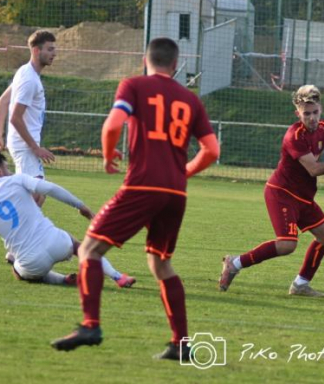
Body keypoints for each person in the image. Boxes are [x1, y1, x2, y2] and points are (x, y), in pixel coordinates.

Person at [51, 37, 220, 361]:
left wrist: (107, 154)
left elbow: (113, 123)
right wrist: (183, 172)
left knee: (89, 249)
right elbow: (212, 150)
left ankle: (90, 325)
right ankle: (181, 344)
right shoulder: (190, 100)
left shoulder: (134, 85)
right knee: (160, 263)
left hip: (142, 185)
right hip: (175, 193)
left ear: (146, 60)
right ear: (175, 64)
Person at [218, 85, 324, 298]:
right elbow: (313, 168)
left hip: (304, 196)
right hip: (282, 193)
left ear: (321, 109)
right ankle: (234, 263)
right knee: (287, 245)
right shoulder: (294, 136)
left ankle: (300, 285)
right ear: (297, 113)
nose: (311, 118)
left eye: (315, 112)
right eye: (306, 114)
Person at [0, 151, 135, 289]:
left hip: (31, 263)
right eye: (6, 167)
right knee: (81, 248)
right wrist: (80, 206)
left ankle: (63, 280)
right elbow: (51, 189)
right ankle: (117, 276)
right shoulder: (17, 179)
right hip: (57, 243)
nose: (9, 170)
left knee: (18, 272)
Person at [0, 30, 57, 206]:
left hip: (21, 144)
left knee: (35, 194)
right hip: (25, 146)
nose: (54, 54)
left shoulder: (24, 72)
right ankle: (13, 229)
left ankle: (19, 231)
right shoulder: (29, 80)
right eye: (49, 49)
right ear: (36, 51)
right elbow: (15, 118)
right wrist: (35, 148)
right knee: (36, 195)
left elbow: (2, 100)